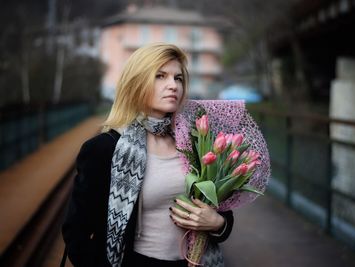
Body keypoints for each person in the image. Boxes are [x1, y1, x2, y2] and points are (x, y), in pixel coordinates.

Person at [62, 43, 234, 267]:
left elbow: (223, 211)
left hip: (198, 261)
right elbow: (76, 233)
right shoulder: (105, 148)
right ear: (137, 83)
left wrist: (218, 223)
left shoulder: (195, 143)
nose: (172, 85)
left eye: (178, 78)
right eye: (160, 76)